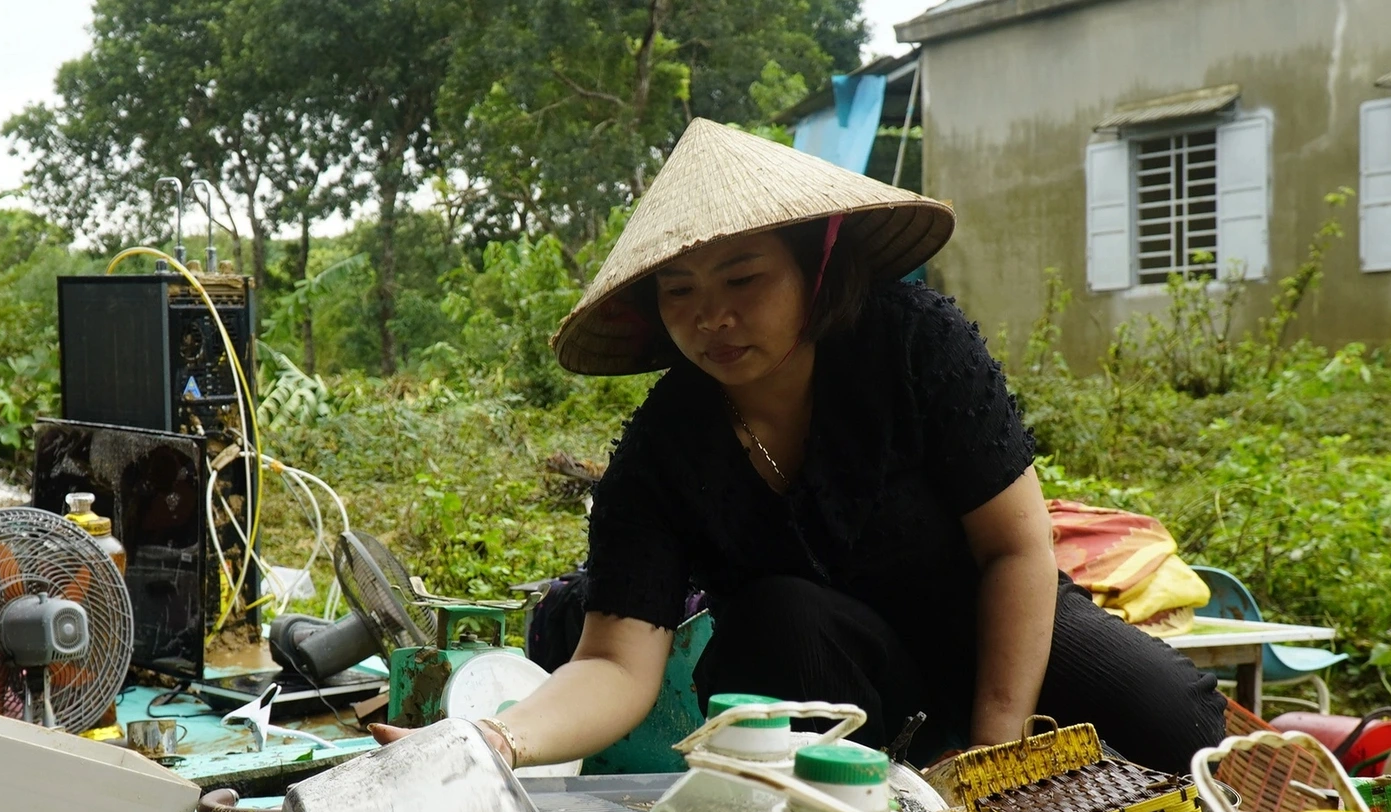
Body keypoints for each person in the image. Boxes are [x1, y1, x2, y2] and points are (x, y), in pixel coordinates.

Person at [374, 118, 1224, 773]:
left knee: (1172, 717)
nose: (712, 317)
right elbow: (616, 664)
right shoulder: (665, 448)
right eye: (680, 292)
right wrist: (493, 741)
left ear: (815, 268)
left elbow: (1017, 548)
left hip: (987, 628)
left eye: (743, 279)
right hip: (824, 676)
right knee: (777, 616)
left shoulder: (912, 342)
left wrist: (994, 759)